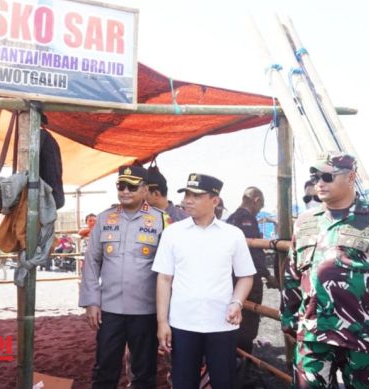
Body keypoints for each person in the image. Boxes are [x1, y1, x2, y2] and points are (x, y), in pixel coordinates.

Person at [281, 151, 369, 388]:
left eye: (327, 176)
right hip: (313, 335)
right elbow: (293, 274)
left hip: (363, 337)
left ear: (351, 176)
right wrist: (289, 319)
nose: (319, 184)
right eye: (315, 177)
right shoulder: (306, 221)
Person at [153, 173, 255, 389]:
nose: (188, 200)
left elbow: (246, 275)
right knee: (183, 382)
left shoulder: (233, 235)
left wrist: (237, 302)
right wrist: (163, 322)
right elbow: (164, 278)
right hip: (182, 323)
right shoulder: (172, 233)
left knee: (223, 382)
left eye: (196, 196)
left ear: (214, 201)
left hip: (221, 324)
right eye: (187, 194)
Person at [79, 165, 166, 389]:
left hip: (145, 311)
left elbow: (169, 270)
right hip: (110, 310)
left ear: (145, 189)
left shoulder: (161, 221)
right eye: (121, 186)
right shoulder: (104, 218)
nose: (125, 191)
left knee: (144, 372)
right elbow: (92, 262)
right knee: (104, 370)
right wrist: (91, 301)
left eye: (132, 186)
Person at [226, 187, 279, 356]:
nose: (259, 211)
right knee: (247, 323)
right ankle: (244, 362)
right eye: (260, 206)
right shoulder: (247, 219)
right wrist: (267, 274)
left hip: (231, 277)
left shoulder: (231, 218)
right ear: (256, 200)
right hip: (248, 278)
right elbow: (253, 253)